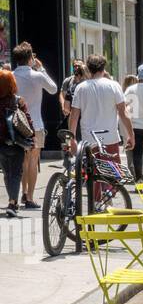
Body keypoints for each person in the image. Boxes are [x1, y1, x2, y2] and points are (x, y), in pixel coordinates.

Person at [11, 42, 57, 208]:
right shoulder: (37, 75)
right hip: (35, 123)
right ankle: (30, 197)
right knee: (32, 160)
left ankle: (23, 192)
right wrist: (42, 69)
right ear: (30, 58)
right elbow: (53, 89)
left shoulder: (11, 75)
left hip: (16, 124)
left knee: (22, 160)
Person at [68, 54, 134, 163]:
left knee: (90, 174)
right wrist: (131, 135)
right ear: (104, 68)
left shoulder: (81, 88)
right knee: (112, 174)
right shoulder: (114, 86)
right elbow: (123, 113)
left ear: (88, 68)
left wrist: (72, 139)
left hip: (88, 138)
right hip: (110, 138)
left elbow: (74, 116)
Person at [0, 68, 33, 218]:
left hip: (1, 143)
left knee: (7, 173)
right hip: (16, 142)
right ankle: (12, 202)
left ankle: (12, 200)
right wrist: (32, 137)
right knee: (16, 173)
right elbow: (27, 120)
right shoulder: (18, 100)